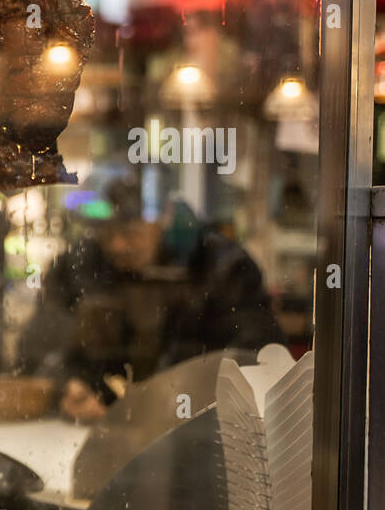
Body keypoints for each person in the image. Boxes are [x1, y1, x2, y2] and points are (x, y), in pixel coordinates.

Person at [21, 175, 285, 422]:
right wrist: (67, 385)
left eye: (130, 232)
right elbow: (38, 346)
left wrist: (181, 397)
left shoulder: (224, 268)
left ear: (163, 218)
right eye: (106, 232)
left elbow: (259, 356)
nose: (117, 245)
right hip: (95, 433)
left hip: (196, 432)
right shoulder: (77, 268)